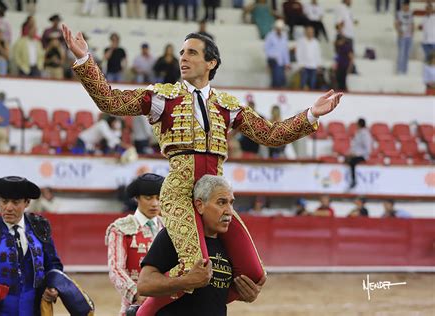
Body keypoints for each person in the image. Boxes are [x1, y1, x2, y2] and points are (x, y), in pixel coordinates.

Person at [62, 24, 342, 313]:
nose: (183, 58)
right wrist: (85, 60)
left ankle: (211, 302)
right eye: (182, 52)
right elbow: (110, 101)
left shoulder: (228, 105)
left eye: (192, 53)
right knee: (195, 268)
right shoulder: (162, 97)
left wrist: (311, 114)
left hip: (215, 196)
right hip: (181, 194)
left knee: (254, 273)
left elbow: (269, 134)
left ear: (211, 63)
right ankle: (142, 313)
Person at [136, 175, 266, 315]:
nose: (229, 211)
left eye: (231, 203)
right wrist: (185, 281)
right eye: (221, 202)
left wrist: (246, 295)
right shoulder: (174, 236)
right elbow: (144, 284)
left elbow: (214, 295)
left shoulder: (229, 245)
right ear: (200, 205)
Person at [0, 176, 64, 315]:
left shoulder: (39, 227)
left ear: (27, 203)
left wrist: (53, 286)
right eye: (4, 201)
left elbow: (54, 266)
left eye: (15, 202)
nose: (8, 207)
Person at [106, 173, 165, 316]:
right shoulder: (121, 228)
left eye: (158, 198)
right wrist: (137, 293)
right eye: (148, 198)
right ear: (137, 198)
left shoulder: (168, 227)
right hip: (135, 306)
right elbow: (116, 269)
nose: (155, 203)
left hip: (167, 305)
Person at [345, 118, 372, 189]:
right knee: (346, 159)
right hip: (356, 154)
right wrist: (350, 153)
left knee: (352, 162)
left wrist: (356, 154)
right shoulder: (358, 133)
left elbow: (367, 149)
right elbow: (355, 146)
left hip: (363, 156)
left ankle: (354, 180)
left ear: (359, 124)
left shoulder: (365, 134)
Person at [264, 19, 291, 88]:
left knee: (281, 79)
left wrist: (287, 63)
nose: (279, 30)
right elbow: (266, 48)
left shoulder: (284, 36)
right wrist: (272, 56)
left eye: (280, 28)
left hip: (281, 61)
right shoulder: (270, 36)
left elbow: (285, 50)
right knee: (276, 77)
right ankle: (274, 88)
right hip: (273, 59)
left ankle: (275, 88)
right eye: (278, 28)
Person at [395, 1, 413, 74]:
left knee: (406, 54)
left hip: (409, 36)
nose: (406, 7)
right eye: (405, 6)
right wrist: (399, 32)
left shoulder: (410, 13)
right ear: (403, 6)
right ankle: (399, 70)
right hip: (402, 36)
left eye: (407, 6)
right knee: (401, 54)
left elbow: (412, 24)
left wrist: (412, 34)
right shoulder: (399, 13)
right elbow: (396, 24)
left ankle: (405, 70)